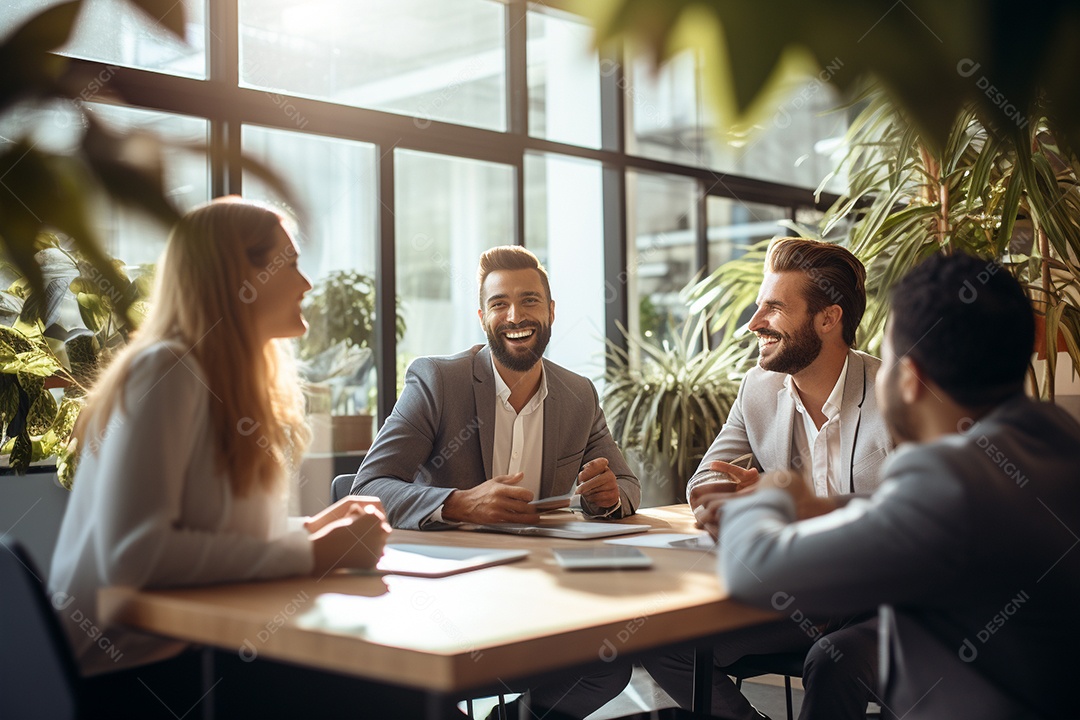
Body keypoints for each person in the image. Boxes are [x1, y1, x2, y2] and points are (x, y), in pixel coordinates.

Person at [48, 198, 391, 718]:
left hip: (183, 656)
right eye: (290, 263)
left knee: (380, 689)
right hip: (123, 681)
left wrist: (311, 529)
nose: (306, 283)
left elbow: (211, 535)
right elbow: (136, 557)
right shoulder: (166, 372)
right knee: (383, 694)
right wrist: (316, 553)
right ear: (238, 277)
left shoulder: (228, 379)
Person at [720, 252, 1080, 719]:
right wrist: (824, 506)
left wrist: (771, 494)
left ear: (910, 380)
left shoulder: (950, 476)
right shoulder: (1056, 440)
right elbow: (928, 516)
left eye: (886, 360)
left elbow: (751, 568)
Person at [352, 245, 639, 718]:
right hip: (449, 597)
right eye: (499, 303)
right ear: (482, 315)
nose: (515, 315)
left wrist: (608, 499)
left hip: (544, 590)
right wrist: (459, 503)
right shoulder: (438, 380)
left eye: (529, 301)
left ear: (550, 311)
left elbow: (626, 482)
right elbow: (368, 486)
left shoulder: (578, 394)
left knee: (608, 664)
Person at [642, 237, 891, 720]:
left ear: (829, 318)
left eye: (774, 308)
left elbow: (922, 516)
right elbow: (704, 481)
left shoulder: (896, 394)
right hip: (802, 597)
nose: (754, 323)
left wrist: (789, 502)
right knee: (664, 641)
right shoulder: (760, 387)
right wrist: (732, 496)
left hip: (882, 600)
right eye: (759, 306)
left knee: (831, 661)